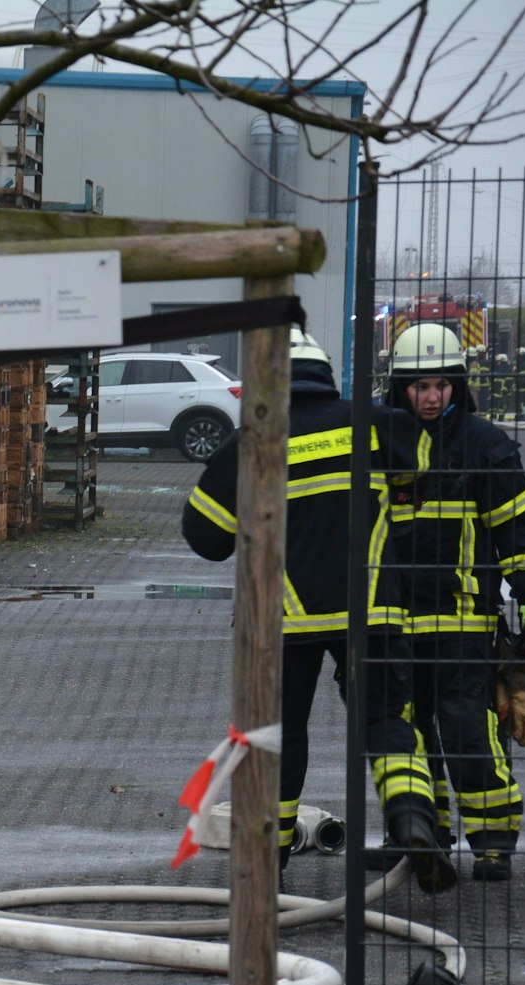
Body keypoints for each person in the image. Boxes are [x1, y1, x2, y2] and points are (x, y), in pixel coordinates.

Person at [182, 328, 453, 891]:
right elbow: (425, 468)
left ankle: (268, 867)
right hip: (372, 612)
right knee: (387, 723)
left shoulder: (251, 444)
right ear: (324, 372)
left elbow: (205, 538)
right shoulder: (375, 425)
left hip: (283, 622)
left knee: (278, 738)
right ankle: (412, 820)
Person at [385, 321, 525, 883]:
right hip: (397, 618)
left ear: (458, 386)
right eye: (419, 386)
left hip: (463, 615)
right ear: (399, 388)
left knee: (468, 727)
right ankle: (427, 836)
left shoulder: (485, 445)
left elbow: (518, 532)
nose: (431, 397)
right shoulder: (383, 444)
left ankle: (493, 841)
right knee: (410, 733)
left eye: (441, 385)